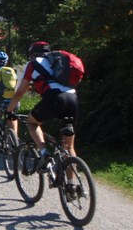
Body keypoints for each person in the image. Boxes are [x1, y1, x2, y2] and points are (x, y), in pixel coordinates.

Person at [5, 41, 79, 169]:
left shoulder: (33, 64)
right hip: (73, 98)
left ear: (32, 54)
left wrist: (10, 109)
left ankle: (44, 153)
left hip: (55, 97)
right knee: (69, 147)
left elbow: (20, 92)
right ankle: (71, 181)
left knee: (32, 122)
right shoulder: (58, 62)